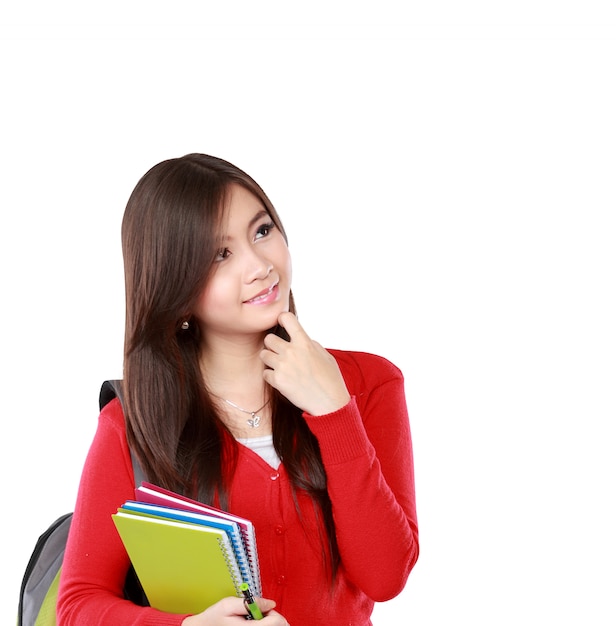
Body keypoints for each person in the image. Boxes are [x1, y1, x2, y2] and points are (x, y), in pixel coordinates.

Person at [56, 153, 419, 625]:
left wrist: (334, 412)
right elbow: (78, 606)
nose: (259, 266)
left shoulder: (370, 384)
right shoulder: (134, 421)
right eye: (220, 255)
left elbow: (385, 577)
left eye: (262, 231)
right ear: (175, 287)